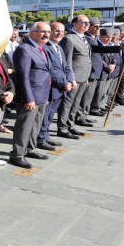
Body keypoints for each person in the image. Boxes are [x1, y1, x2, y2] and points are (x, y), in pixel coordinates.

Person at [9, 22, 52, 169]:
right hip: (30, 96)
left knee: (36, 125)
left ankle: (31, 148)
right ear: (32, 32)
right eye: (42, 31)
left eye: (48, 31)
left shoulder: (42, 48)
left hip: (41, 95)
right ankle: (17, 154)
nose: (46, 34)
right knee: (24, 126)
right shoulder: (24, 50)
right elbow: (23, 76)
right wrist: (29, 98)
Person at [37, 22, 74, 151]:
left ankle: (46, 136)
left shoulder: (58, 47)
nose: (60, 34)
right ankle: (41, 139)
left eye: (62, 32)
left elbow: (66, 67)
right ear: (50, 31)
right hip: (51, 88)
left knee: (51, 114)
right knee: (45, 115)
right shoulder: (45, 48)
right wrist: (64, 83)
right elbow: (51, 69)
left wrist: (69, 80)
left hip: (60, 88)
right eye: (57, 31)